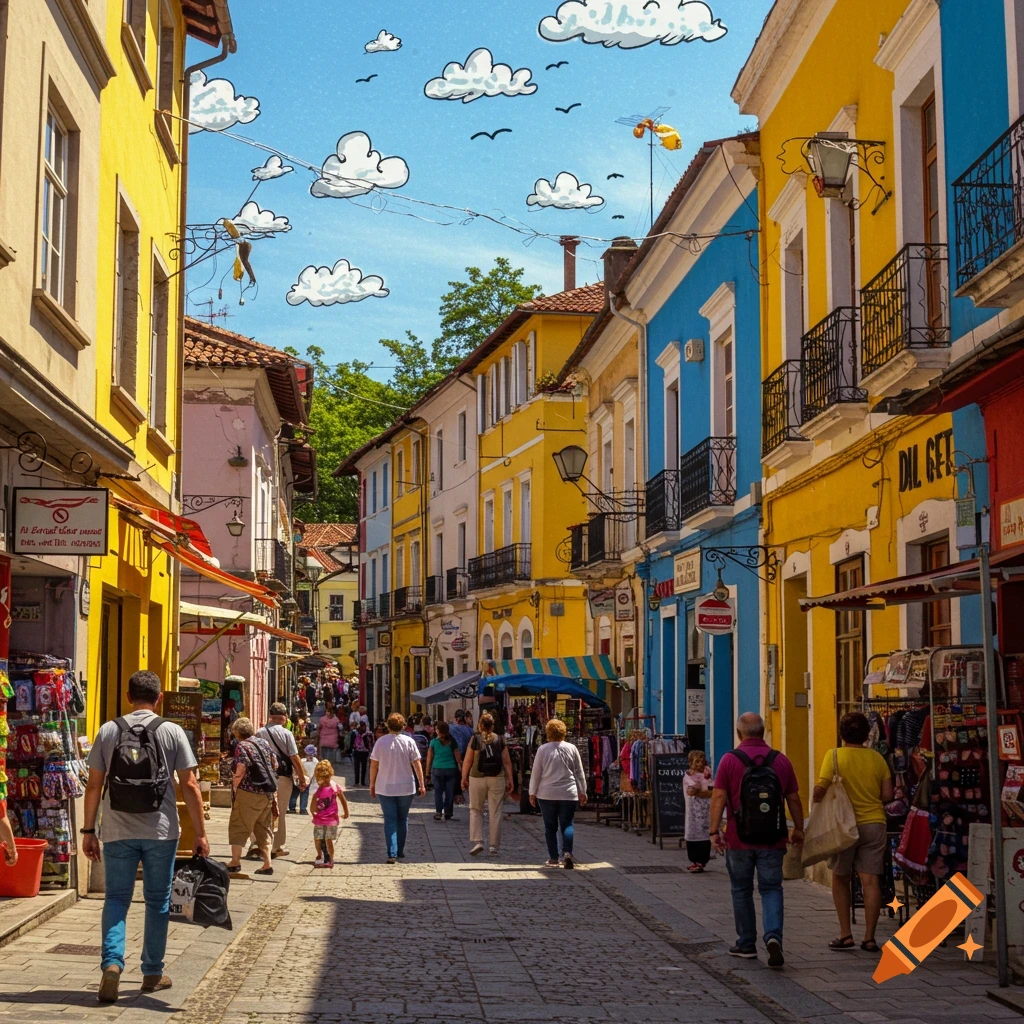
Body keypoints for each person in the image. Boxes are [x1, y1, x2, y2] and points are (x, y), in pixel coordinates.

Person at [81, 671, 208, 1003]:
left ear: (127, 697)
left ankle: (111, 963)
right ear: (160, 698)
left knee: (117, 900)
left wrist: (88, 831)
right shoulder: (171, 731)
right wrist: (200, 833)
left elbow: (94, 785)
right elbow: (190, 785)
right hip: (161, 831)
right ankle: (152, 972)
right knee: (157, 902)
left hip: (117, 830)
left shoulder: (109, 730)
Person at [709, 713, 804, 969]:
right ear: (763, 732)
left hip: (739, 839)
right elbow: (793, 798)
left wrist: (713, 831)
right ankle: (773, 936)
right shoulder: (780, 760)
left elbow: (719, 796)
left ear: (740, 734)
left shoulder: (729, 760)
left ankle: (746, 943)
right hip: (773, 839)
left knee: (741, 890)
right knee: (771, 888)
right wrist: (799, 829)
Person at [814, 711, 894, 953]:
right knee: (870, 880)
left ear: (841, 734)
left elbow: (820, 790)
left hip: (843, 827)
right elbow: (888, 795)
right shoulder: (877, 759)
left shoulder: (834, 756)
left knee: (840, 877)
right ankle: (869, 938)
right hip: (874, 824)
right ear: (866, 735)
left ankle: (845, 934)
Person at [528, 719, 587, 869]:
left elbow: (536, 773)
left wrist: (532, 792)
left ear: (548, 732)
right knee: (567, 824)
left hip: (547, 794)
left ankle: (553, 857)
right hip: (568, 793)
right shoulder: (572, 748)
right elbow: (579, 772)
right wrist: (583, 791)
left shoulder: (542, 749)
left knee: (550, 827)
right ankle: (567, 852)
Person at [370, 713, 426, 864]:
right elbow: (417, 763)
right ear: (403, 726)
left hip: (385, 786)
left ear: (388, 726)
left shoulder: (381, 742)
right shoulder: (409, 741)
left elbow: (374, 765)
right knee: (402, 818)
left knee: (390, 819)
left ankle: (391, 853)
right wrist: (422, 783)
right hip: (406, 786)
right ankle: (400, 850)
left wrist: (372, 783)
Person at [255, 702, 307, 860]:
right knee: (281, 811)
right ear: (284, 718)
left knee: (262, 811)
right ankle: (276, 847)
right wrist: (302, 777)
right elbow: (293, 756)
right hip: (282, 776)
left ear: (270, 716)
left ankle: (259, 844)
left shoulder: (259, 733)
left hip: (263, 777)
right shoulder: (286, 734)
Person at [225, 718, 277, 877]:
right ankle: (267, 864)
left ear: (237, 733)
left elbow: (240, 768)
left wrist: (235, 784)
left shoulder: (242, 746)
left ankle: (235, 862)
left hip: (249, 792)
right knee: (263, 827)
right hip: (267, 792)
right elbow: (275, 764)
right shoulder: (263, 743)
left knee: (239, 824)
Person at [461, 712, 514, 857]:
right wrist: (511, 779)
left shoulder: (475, 739)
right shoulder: (500, 739)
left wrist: (463, 777)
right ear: (493, 725)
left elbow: (467, 761)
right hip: (497, 777)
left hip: (477, 777)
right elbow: (507, 761)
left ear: (479, 725)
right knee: (495, 811)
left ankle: (478, 841)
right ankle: (493, 846)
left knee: (475, 809)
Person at [310, 759, 349, 868]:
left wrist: (313, 811)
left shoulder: (330, 787)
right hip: (325, 818)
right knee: (321, 839)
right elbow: (314, 799)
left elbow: (342, 799)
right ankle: (323, 857)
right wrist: (346, 812)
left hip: (328, 818)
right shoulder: (326, 787)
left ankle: (326, 858)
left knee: (324, 839)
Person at [683, 749, 714, 873]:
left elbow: (713, 789)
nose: (700, 764)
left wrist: (703, 792)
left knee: (705, 835)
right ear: (691, 762)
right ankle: (696, 861)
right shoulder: (689, 775)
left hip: (707, 810)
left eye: (702, 761)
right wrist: (705, 792)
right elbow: (691, 791)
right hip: (693, 812)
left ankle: (702, 861)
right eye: (697, 762)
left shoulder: (708, 773)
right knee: (692, 834)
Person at [427, 721, 463, 821]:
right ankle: (448, 812)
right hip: (451, 769)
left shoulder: (433, 742)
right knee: (449, 792)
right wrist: (462, 769)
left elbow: (429, 758)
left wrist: (427, 772)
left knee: (438, 792)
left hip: (437, 769)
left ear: (437, 731)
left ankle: (438, 812)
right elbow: (458, 758)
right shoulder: (452, 741)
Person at [289, 744, 319, 814]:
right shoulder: (316, 762)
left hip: (298, 780)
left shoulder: (302, 761)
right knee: (304, 795)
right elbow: (316, 772)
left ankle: (292, 808)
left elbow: (295, 769)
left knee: (294, 794)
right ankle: (303, 809)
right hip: (307, 781)